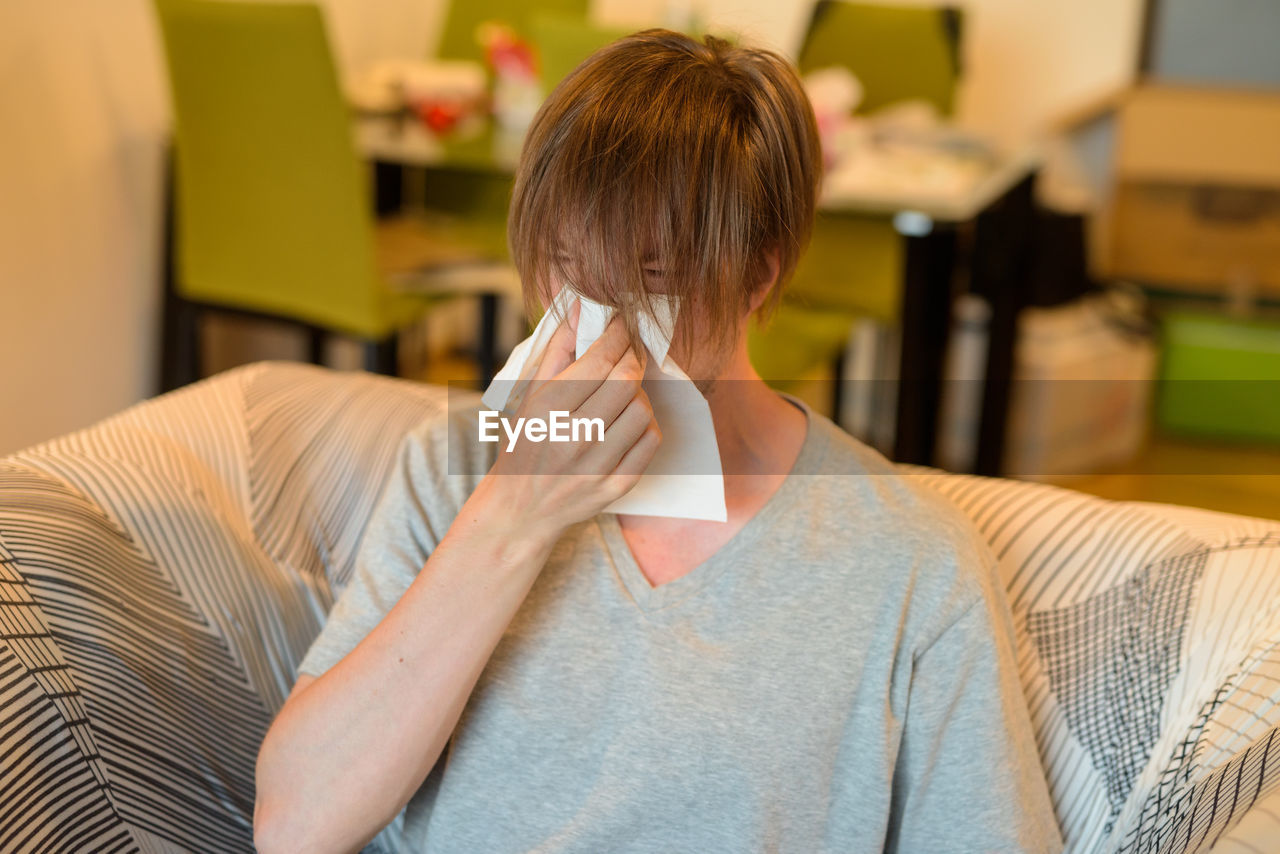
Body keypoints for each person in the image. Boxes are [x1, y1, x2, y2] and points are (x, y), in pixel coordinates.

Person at [254, 29, 1064, 854]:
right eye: (564, 264)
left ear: (759, 274)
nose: (593, 320)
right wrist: (510, 515)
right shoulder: (450, 469)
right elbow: (293, 826)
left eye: (651, 279)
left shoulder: (910, 564)